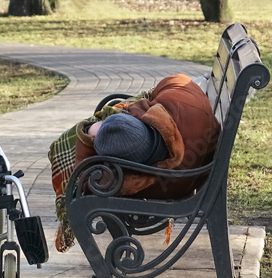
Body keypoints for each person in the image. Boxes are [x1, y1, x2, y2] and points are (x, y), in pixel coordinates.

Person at [49, 73, 221, 252]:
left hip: (187, 179)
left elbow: (89, 181)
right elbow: (177, 79)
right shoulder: (178, 107)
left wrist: (90, 132)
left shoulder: (162, 178)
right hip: (198, 170)